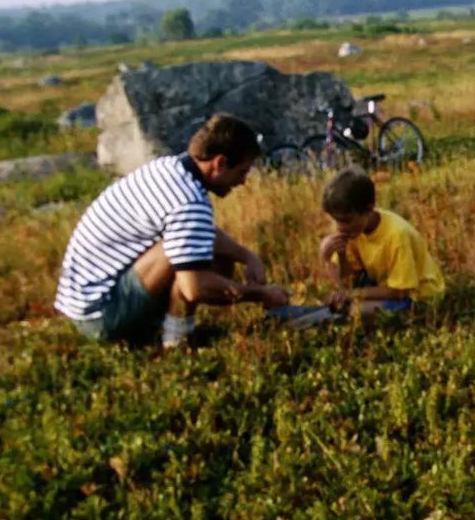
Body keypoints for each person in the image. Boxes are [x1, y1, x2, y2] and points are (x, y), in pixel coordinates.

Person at [54, 113, 290, 347]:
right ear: (219, 163)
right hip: (102, 313)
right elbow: (194, 287)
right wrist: (260, 295)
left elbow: (199, 232)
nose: (242, 181)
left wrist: (247, 257)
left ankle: (158, 326)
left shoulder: (170, 168)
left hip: (86, 301)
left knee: (199, 247)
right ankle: (177, 341)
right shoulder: (188, 202)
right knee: (185, 256)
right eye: (241, 172)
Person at [317, 167, 445, 315]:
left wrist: (351, 295)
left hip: (416, 293)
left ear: (368, 209)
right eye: (337, 220)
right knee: (343, 305)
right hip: (384, 284)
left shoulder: (397, 234)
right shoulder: (354, 230)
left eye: (346, 220)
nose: (340, 227)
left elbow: (400, 291)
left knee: (356, 311)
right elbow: (347, 284)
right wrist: (332, 257)